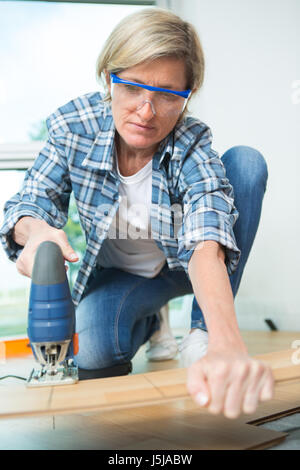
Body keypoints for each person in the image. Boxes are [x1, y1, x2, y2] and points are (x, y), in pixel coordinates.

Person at [0, 8, 274, 419]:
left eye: (167, 95)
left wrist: (224, 340)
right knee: (95, 355)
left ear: (187, 95)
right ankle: (153, 323)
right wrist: (35, 231)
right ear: (109, 78)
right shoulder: (73, 125)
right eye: (132, 87)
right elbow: (29, 200)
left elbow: (206, 241)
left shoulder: (191, 143)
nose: (147, 112)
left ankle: (200, 332)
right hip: (121, 277)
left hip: (183, 265)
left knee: (246, 164)